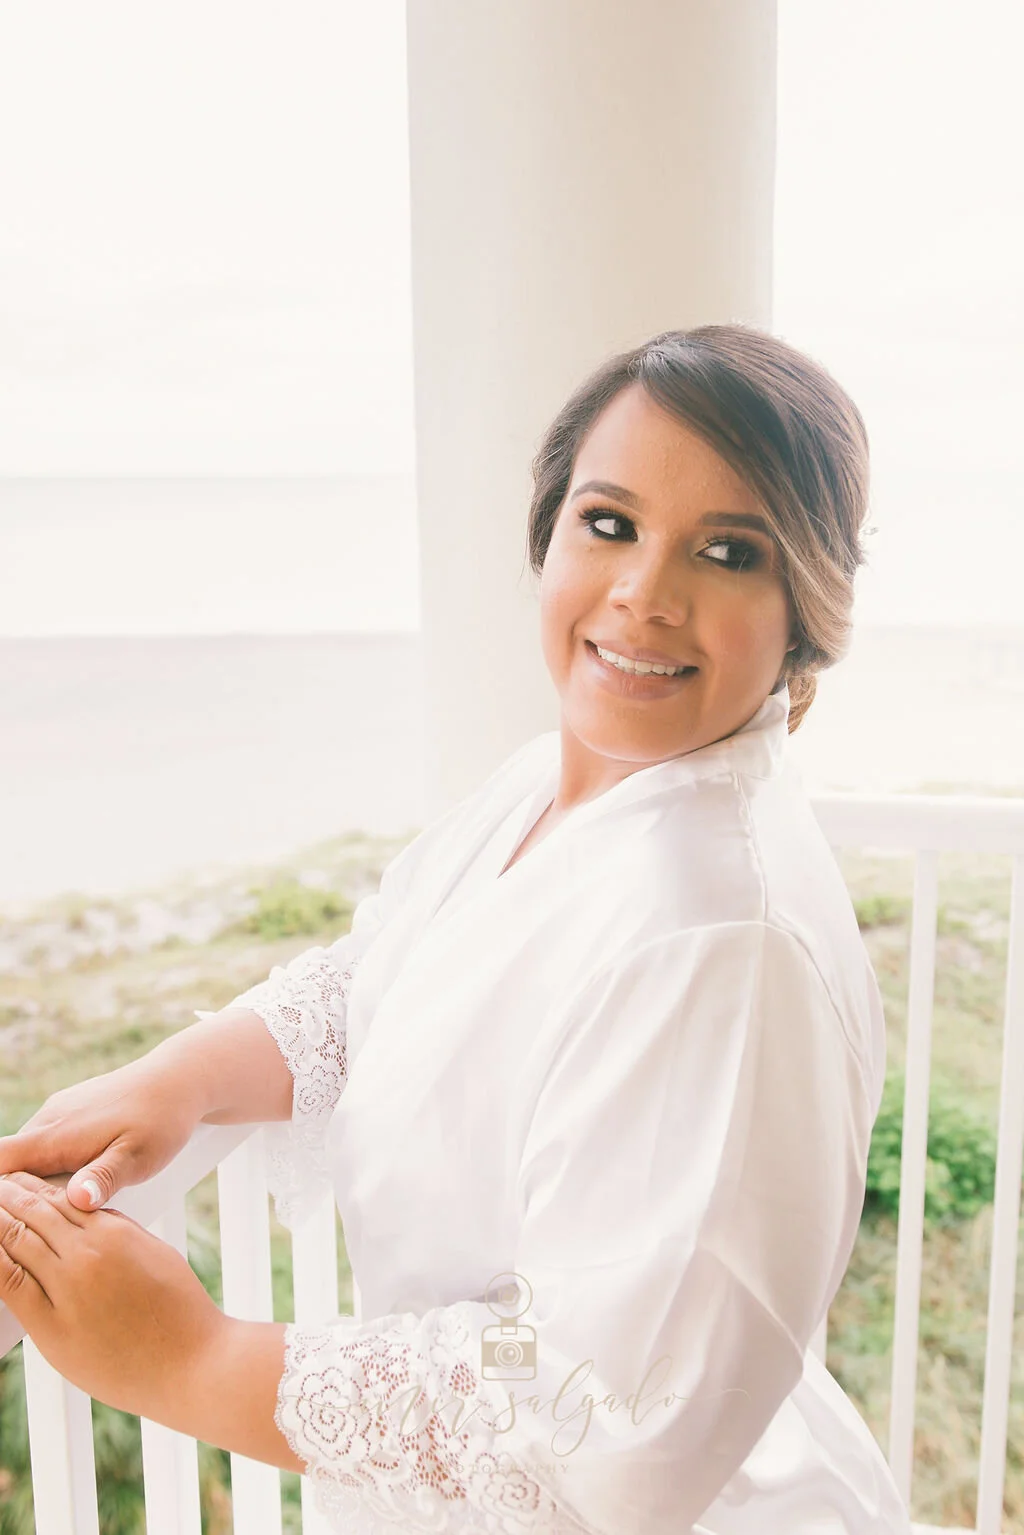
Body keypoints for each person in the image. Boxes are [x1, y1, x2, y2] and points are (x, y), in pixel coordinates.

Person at [0, 324, 914, 1534]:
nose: (645, 589)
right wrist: (184, 1074)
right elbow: (392, 967)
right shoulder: (557, 783)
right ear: (548, 538)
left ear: (802, 611)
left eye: (727, 549)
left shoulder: (718, 938)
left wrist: (189, 1355)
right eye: (608, 522)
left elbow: (604, 1413)